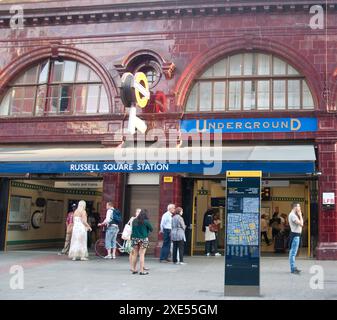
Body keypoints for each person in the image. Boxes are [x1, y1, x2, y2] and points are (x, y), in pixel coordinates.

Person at [131, 209, 153, 275]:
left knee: (135, 254)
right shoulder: (146, 221)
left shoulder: (134, 220)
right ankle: (141, 270)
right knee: (142, 254)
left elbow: (132, 229)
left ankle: (134, 269)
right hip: (143, 238)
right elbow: (151, 229)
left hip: (134, 238)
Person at [288, 203, 304, 275]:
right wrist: (300, 215)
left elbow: (301, 223)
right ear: (295, 207)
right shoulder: (292, 215)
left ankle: (293, 267)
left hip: (296, 235)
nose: (300, 207)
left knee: (293, 253)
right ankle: (292, 269)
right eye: (298, 206)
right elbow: (301, 224)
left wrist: (299, 215)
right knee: (293, 253)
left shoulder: (293, 215)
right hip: (295, 236)